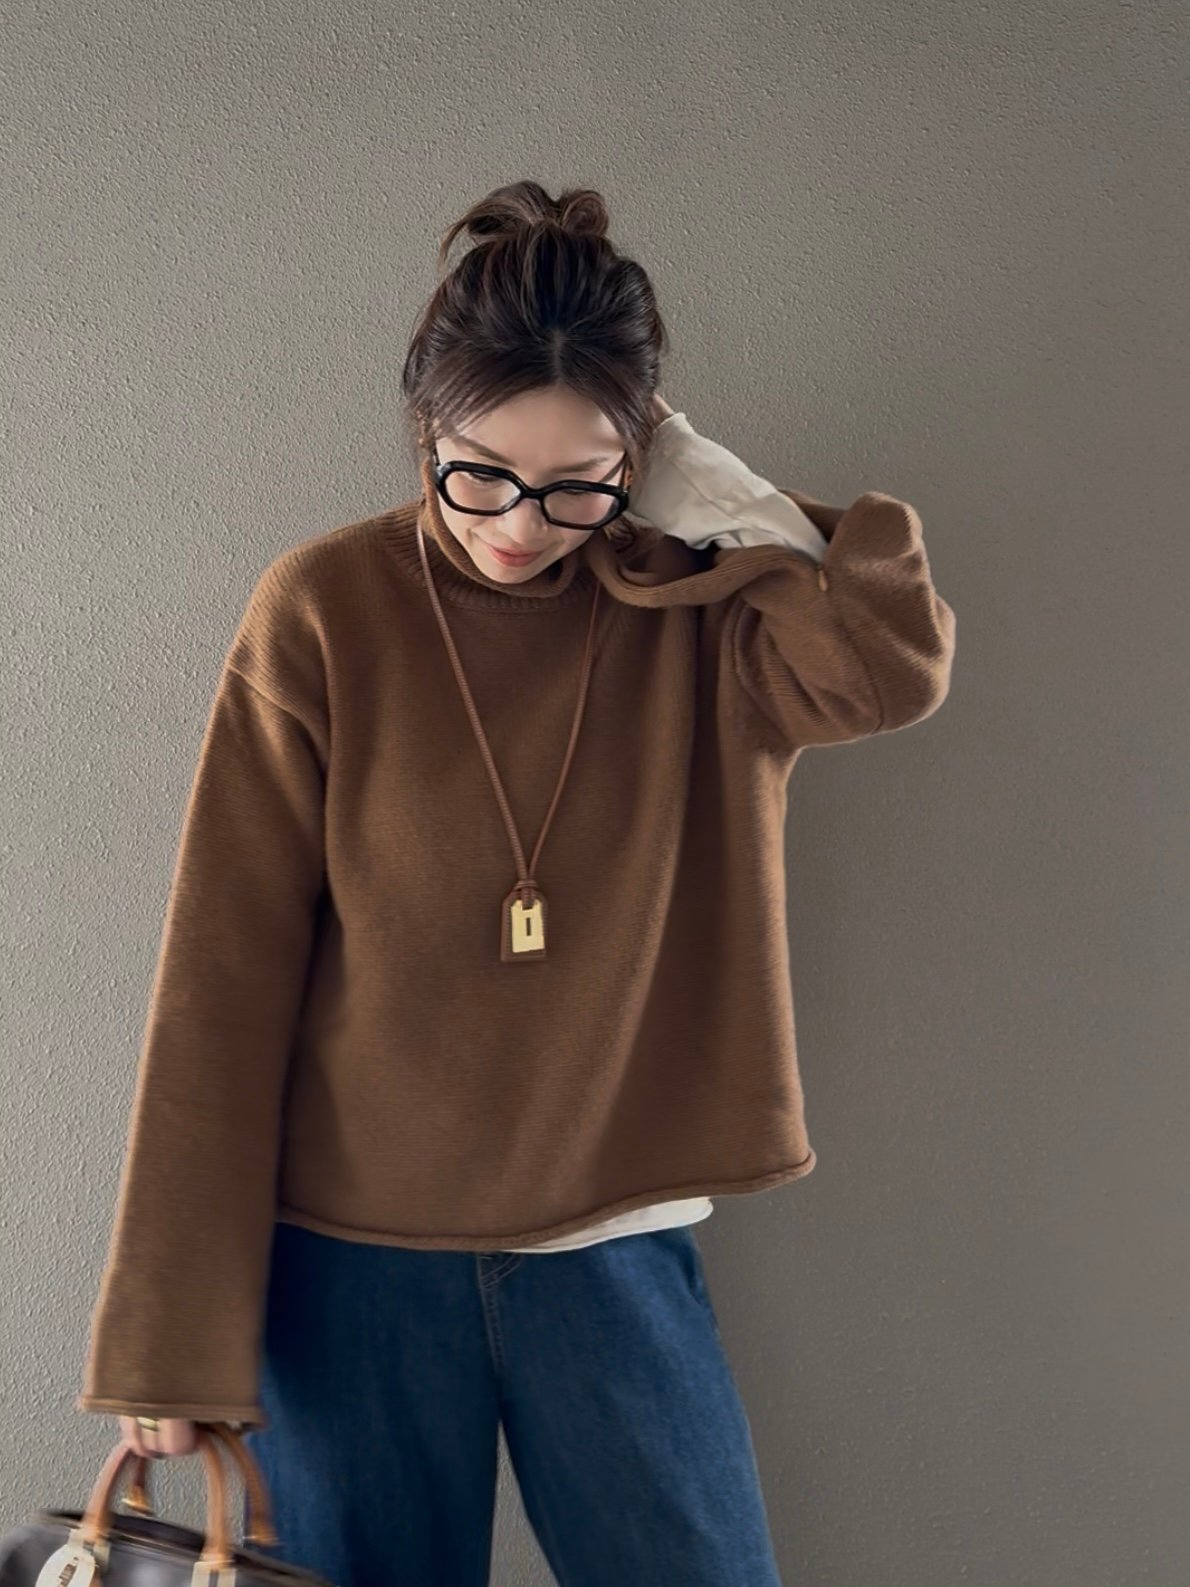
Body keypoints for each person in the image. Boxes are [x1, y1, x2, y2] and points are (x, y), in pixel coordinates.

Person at [78, 180, 956, 1585]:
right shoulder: (323, 611)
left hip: (609, 1244)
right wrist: (166, 1338)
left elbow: (883, 672)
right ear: (424, 428)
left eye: (578, 482)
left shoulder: (693, 611)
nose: (518, 523)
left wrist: (725, 507)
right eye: (478, 471)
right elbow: (219, 986)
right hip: (349, 1265)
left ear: (640, 457)